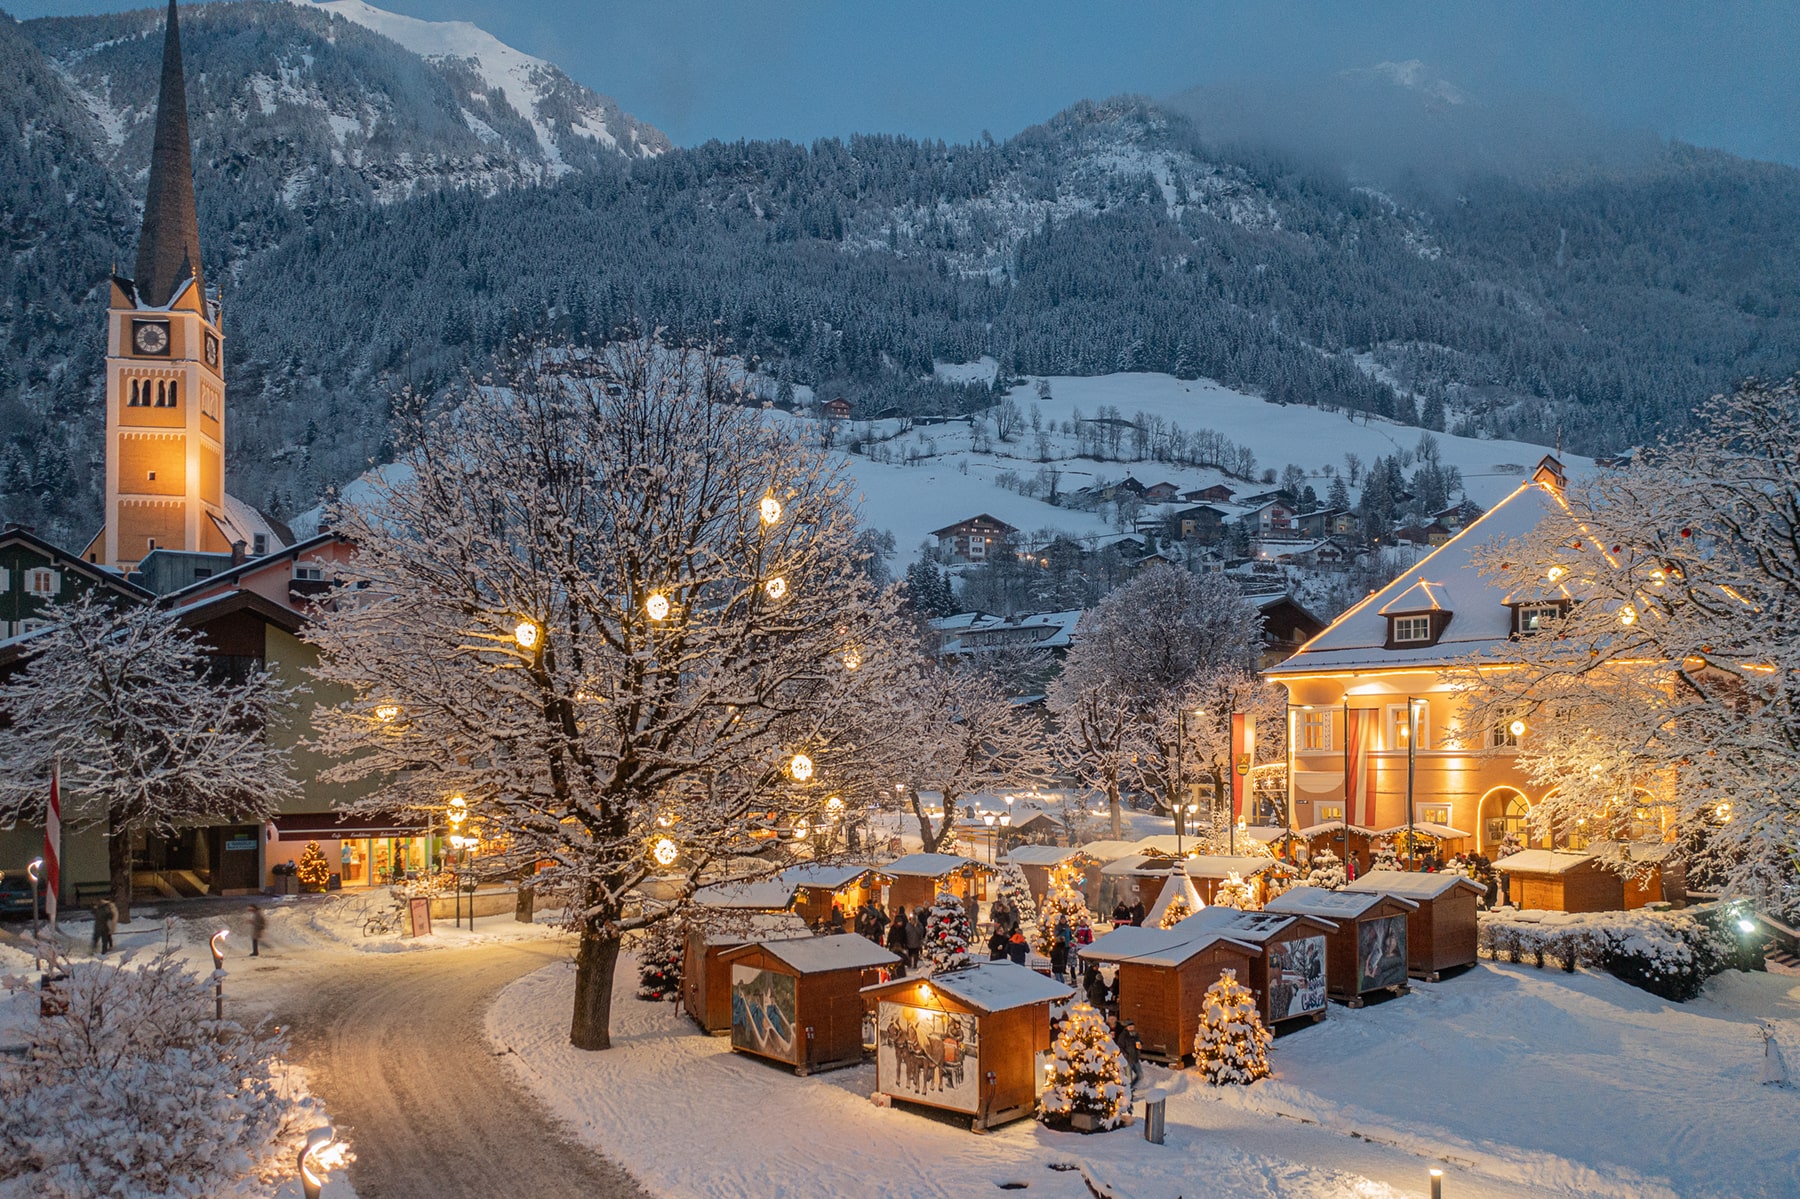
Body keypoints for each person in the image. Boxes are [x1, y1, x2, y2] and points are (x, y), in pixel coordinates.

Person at [1117, 1017, 1143, 1085]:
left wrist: (1140, 1046)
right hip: (1128, 1060)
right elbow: (1120, 1046)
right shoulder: (1123, 1035)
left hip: (1135, 1058)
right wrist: (1125, 1054)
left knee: (1140, 1076)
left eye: (1132, 1026)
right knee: (1128, 1078)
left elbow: (1139, 1042)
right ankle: (1129, 1091)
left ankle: (1131, 1087)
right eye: (1130, 1027)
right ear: (1126, 1027)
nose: (1131, 1028)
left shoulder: (1136, 1035)